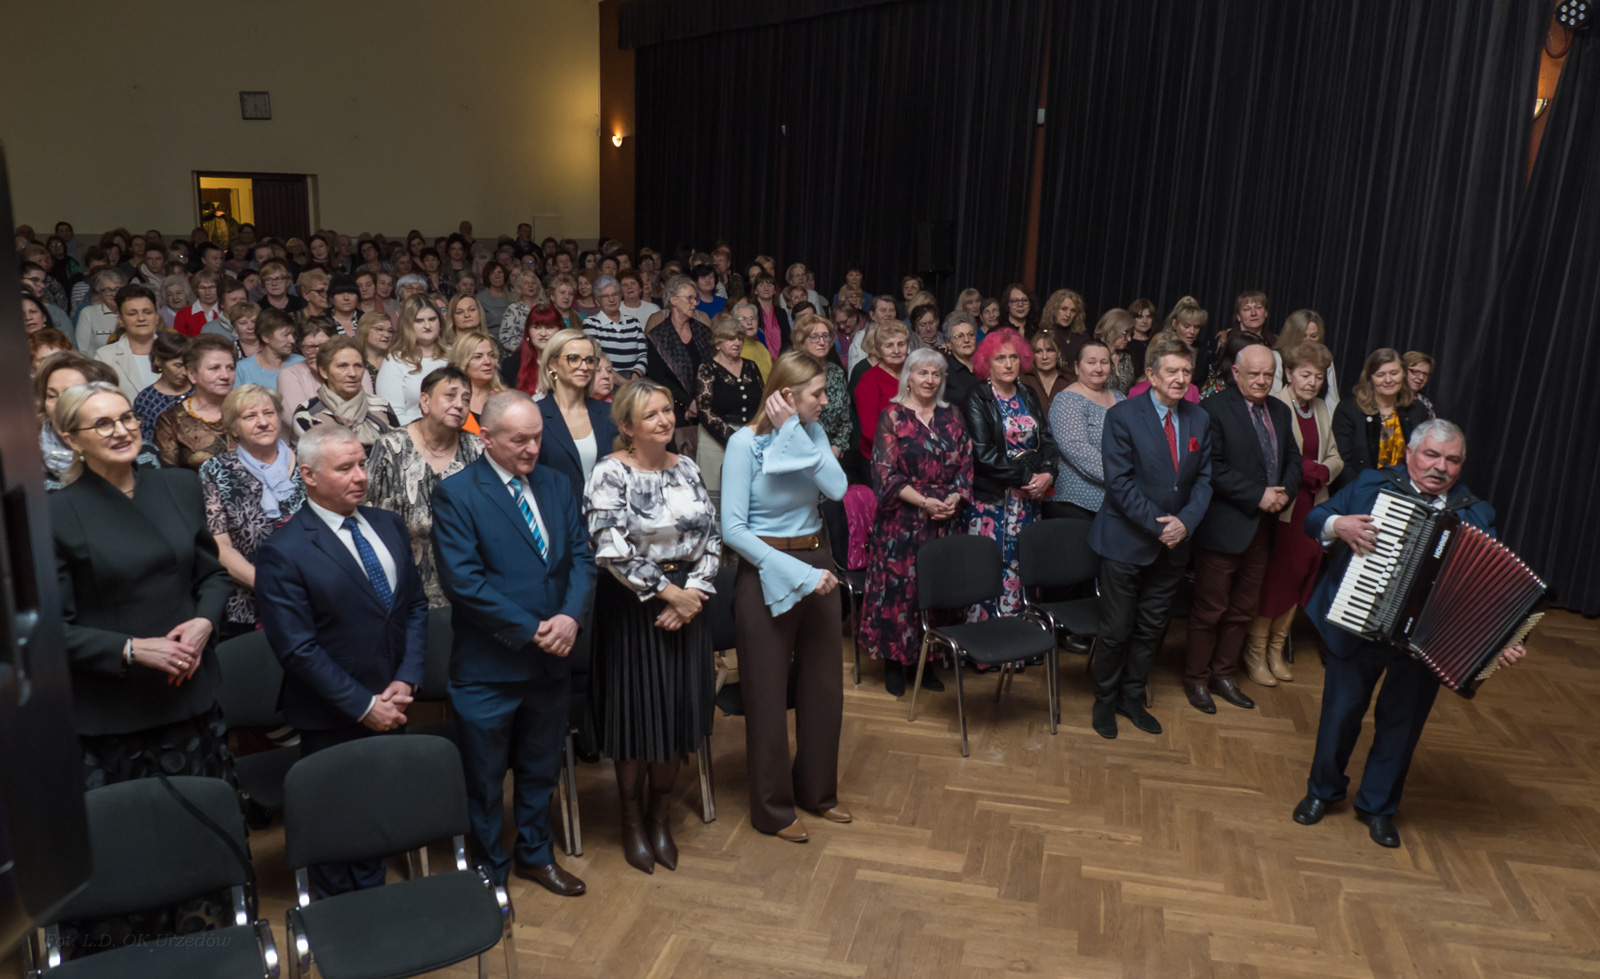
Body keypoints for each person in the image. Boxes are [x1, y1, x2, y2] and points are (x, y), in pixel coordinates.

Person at [1293, 420, 1525, 848]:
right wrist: (1339, 525)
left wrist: (1504, 638)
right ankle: (1322, 792)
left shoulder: (1476, 513)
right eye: (1431, 455)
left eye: (1452, 460)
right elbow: (1314, 519)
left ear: (1462, 464)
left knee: (1401, 727)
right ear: (1410, 454)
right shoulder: (1372, 485)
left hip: (1421, 644)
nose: (1441, 467)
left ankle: (1378, 807)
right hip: (1357, 623)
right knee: (1339, 716)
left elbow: (1490, 587)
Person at [430, 390, 596, 896]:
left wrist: (569, 617)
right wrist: (534, 629)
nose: (532, 449)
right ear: (487, 438)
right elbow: (465, 583)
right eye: (519, 440)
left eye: (537, 438)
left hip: (552, 664)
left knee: (540, 768)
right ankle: (489, 870)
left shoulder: (557, 482)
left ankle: (536, 855)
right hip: (490, 667)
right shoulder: (458, 494)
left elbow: (581, 558)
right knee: (484, 778)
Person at [255, 424, 430, 895]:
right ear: (308, 475)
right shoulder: (284, 551)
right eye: (345, 468)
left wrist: (408, 677)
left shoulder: (388, 525)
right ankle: (339, 921)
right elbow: (297, 648)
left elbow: (414, 606)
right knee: (335, 828)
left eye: (362, 464)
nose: (360, 476)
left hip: (394, 701)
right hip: (332, 714)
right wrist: (363, 705)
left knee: (377, 819)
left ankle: (374, 910)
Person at [51, 381, 233, 790]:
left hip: (189, 695)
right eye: (102, 423)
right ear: (71, 439)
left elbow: (213, 576)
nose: (121, 430)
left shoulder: (179, 486)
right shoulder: (55, 513)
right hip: (116, 711)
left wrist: (204, 622)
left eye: (126, 418)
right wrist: (131, 649)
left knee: (208, 820)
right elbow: (52, 629)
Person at [583, 380, 721, 874]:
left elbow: (712, 536)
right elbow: (610, 547)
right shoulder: (609, 472)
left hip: (688, 606)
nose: (664, 420)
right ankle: (631, 821)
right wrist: (669, 594)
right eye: (651, 415)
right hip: (634, 607)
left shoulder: (687, 466)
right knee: (638, 716)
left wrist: (693, 594)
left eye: (667, 410)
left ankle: (660, 818)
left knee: (678, 713)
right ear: (627, 426)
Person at [721, 352, 849, 841]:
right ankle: (773, 810)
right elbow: (733, 530)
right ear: (787, 395)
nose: (826, 401)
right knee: (767, 694)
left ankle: (817, 793)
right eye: (817, 393)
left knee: (823, 688)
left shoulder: (810, 434)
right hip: (766, 569)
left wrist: (795, 432)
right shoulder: (744, 444)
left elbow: (837, 489)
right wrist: (798, 573)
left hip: (819, 563)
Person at [1089, 335, 1213, 739]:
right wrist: (1163, 526)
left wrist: (1185, 523)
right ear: (1151, 375)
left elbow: (1204, 481)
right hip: (1126, 541)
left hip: (1175, 546)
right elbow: (1119, 484)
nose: (1180, 378)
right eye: (1171, 371)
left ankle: (1131, 698)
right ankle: (1104, 701)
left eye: (1186, 371)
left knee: (1150, 629)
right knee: (1117, 630)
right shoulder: (1123, 416)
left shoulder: (1199, 419)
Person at [1182, 343, 1301, 713]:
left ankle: (1224, 675)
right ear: (1236, 373)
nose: (1263, 381)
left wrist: (1284, 494)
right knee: (1211, 609)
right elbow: (1212, 467)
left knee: (1243, 609)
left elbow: (1293, 459)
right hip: (1223, 528)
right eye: (1255, 374)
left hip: (1264, 529)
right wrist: (1257, 495)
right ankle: (1196, 679)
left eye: (1269, 374)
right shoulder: (1213, 408)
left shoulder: (1280, 410)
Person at [859, 348, 972, 696]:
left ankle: (928, 660)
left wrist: (954, 498)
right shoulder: (892, 416)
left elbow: (966, 462)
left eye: (936, 374)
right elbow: (884, 472)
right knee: (900, 595)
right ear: (908, 376)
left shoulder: (952, 414)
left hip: (944, 518)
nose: (930, 380)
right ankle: (895, 664)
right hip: (902, 521)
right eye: (922, 373)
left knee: (935, 591)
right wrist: (924, 502)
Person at [1247, 341, 1344, 687]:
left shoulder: (1320, 408)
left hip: (1315, 508)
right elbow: (1274, 457)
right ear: (1288, 373)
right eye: (1305, 374)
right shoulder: (1276, 405)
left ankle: (1276, 650)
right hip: (1285, 509)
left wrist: (1322, 472)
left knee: (1303, 577)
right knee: (1277, 581)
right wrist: (1310, 471)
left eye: (1318, 377)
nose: (1312, 382)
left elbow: (1336, 456)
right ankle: (1255, 653)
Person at [963, 328, 1057, 630]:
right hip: (994, 501)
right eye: (1000, 358)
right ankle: (987, 637)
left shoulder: (1028, 393)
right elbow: (983, 454)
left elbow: (1047, 439)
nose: (1008, 364)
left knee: (1024, 565)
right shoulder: (977, 396)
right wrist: (1028, 476)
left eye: (1013, 357)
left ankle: (1022, 636)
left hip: (1029, 500)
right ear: (986, 363)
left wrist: (1048, 473)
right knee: (992, 567)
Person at [366, 366, 482, 608]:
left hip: (468, 586)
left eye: (466, 399)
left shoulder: (477, 449)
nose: (460, 404)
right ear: (425, 401)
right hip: (404, 585)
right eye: (450, 395)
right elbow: (369, 515)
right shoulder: (390, 447)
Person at [200, 385, 306, 639]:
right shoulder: (215, 470)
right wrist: (270, 586)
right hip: (247, 604)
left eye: (269, 413)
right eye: (250, 416)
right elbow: (219, 545)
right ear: (233, 428)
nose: (263, 422)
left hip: (314, 595)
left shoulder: (308, 462)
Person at [1047, 338, 1125, 520]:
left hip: (1116, 499)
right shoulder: (1067, 399)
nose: (1098, 368)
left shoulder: (1120, 398)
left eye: (1104, 362)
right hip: (1077, 503)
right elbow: (1076, 448)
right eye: (1091, 362)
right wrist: (1121, 476)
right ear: (1077, 367)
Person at [535, 329, 620, 497]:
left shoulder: (609, 413)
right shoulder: (536, 414)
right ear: (552, 364)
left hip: (605, 509)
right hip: (557, 509)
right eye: (573, 359)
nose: (584, 367)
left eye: (590, 360)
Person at [1331, 348, 1429, 490]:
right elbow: (1342, 462)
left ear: (1403, 374)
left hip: (1404, 492)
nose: (1388, 380)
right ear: (1370, 378)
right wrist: (1361, 493)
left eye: (1394, 373)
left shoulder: (1417, 410)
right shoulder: (1349, 410)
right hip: (1359, 490)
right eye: (1380, 375)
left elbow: (1421, 459)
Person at [694, 313, 763, 503]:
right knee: (717, 499)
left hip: (750, 438)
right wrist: (734, 439)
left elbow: (763, 403)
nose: (737, 343)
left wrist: (752, 434)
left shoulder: (751, 366)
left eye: (740, 338)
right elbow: (705, 411)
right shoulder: (707, 368)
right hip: (715, 440)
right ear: (717, 343)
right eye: (731, 338)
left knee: (750, 495)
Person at [646, 275, 717, 458]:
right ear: (674, 300)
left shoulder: (703, 332)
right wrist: (687, 403)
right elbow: (659, 378)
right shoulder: (658, 336)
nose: (695, 303)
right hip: (672, 408)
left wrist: (700, 402)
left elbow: (713, 368)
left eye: (695, 298)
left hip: (706, 405)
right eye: (690, 298)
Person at [292, 336, 399, 452]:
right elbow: (302, 460)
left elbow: (400, 452)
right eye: (343, 366)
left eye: (358, 366)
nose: (352, 373)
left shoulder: (381, 407)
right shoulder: (308, 414)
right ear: (324, 371)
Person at [155, 335, 236, 471]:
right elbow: (168, 476)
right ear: (192, 375)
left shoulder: (247, 410)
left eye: (230, 368)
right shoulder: (171, 421)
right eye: (214, 368)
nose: (225, 376)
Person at [377, 294, 451, 424]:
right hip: (409, 431)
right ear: (408, 325)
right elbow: (393, 413)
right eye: (419, 321)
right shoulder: (395, 360)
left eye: (432, 319)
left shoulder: (454, 355)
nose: (427, 325)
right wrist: (422, 433)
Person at [794, 313, 852, 458]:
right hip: (801, 450)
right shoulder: (793, 373)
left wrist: (837, 446)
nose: (821, 342)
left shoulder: (836, 372)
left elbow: (845, 417)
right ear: (801, 340)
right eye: (814, 336)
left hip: (833, 452)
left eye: (825, 336)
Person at [94, 282, 164, 400]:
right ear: (121, 319)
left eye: (147, 312)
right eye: (132, 313)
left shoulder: (176, 351)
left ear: (156, 316)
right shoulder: (105, 356)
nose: (141, 318)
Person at [853, 319, 910, 458]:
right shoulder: (869, 380)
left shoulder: (915, 373)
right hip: (883, 456)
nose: (896, 350)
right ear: (879, 349)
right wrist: (903, 452)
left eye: (901, 344)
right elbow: (869, 431)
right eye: (889, 345)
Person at [1270, 310, 1339, 408]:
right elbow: (1273, 398)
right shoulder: (1277, 357)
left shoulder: (1325, 360)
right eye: (1303, 336)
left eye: (1313, 336)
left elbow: (1332, 400)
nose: (1308, 340)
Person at [583, 274, 648, 378]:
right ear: (597, 301)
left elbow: (643, 355)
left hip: (634, 380)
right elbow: (596, 358)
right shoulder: (591, 323)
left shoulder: (634, 322)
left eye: (615, 294)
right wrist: (622, 382)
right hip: (606, 380)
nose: (611, 299)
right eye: (605, 296)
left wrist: (635, 377)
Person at [448, 330, 505, 434]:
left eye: (491, 355)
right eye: (478, 357)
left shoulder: (504, 397)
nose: (488, 361)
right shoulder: (450, 400)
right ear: (462, 361)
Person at [276, 317, 339, 411]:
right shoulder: (289, 375)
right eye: (310, 347)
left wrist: (325, 376)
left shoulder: (353, 368)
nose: (318, 351)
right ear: (302, 348)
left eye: (323, 345)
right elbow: (296, 416)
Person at [234, 307, 304, 389]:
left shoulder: (301, 363)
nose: (292, 340)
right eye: (285, 335)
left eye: (292, 334)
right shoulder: (243, 369)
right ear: (266, 337)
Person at [506, 302, 563, 396]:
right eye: (537, 327)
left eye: (549, 327)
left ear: (560, 330)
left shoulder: (569, 363)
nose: (543, 333)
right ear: (528, 331)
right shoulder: (511, 365)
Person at [74, 268, 127, 355]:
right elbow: (81, 349)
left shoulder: (131, 314)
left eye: (117, 289)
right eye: (107, 290)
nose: (114, 294)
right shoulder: (88, 313)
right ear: (100, 292)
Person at [940, 312, 982, 408]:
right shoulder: (944, 371)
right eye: (959, 336)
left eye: (971, 334)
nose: (966, 340)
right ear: (948, 343)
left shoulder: (986, 365)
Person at [1021, 331, 1070, 409]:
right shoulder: (1023, 380)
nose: (1044, 357)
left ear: (1059, 353)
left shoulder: (1069, 381)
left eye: (1049, 350)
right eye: (1039, 351)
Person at [1095, 309, 1137, 394]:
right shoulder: (1094, 354)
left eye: (1131, 334)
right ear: (1110, 332)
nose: (1129, 339)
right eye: (1126, 334)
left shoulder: (1127, 357)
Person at [173, 270, 225, 337]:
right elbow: (178, 341)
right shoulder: (183, 314)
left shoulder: (227, 311)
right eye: (202, 288)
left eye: (211, 287)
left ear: (218, 288)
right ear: (196, 290)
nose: (207, 293)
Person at [732, 300, 773, 380]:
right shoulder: (733, 349)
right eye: (743, 318)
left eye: (753, 318)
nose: (749, 322)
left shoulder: (761, 347)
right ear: (734, 323)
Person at [354, 311, 393, 392]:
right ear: (364, 330)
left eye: (390, 331)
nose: (387, 335)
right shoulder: (356, 362)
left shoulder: (395, 360)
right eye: (380, 329)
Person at [1127, 298, 1156, 376]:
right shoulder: (1126, 342)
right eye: (1140, 317)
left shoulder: (1156, 342)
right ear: (1132, 318)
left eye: (1148, 317)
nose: (1145, 321)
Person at [1403, 351, 1436, 419]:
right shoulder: (1390, 397)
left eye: (1425, 374)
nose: (1421, 377)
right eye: (1416, 372)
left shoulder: (1425, 404)